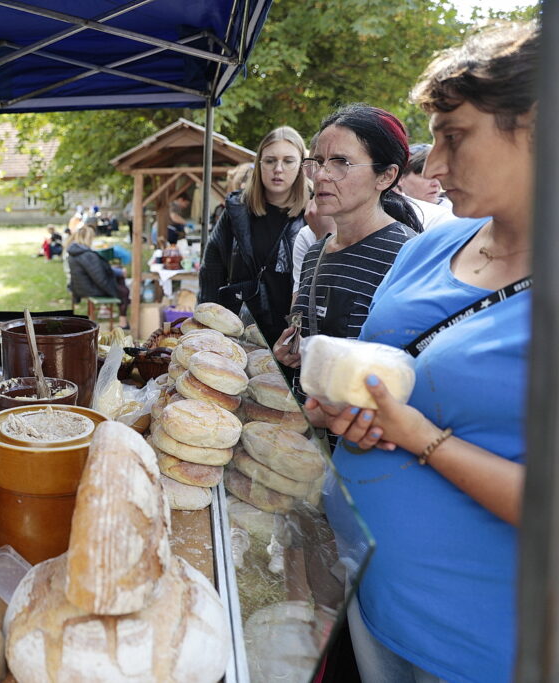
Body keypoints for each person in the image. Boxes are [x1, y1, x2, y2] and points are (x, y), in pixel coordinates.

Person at [314, 22, 536, 681]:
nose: (431, 165)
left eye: (455, 135)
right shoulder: (431, 245)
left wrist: (419, 436)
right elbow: (382, 376)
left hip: (473, 645)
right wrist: (343, 410)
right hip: (362, 592)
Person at [273, 105, 421, 366]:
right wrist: (292, 352)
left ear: (386, 176)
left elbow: (410, 364)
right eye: (318, 162)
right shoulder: (314, 253)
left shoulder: (409, 257)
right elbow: (304, 339)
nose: (321, 175)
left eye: (341, 163)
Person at [198, 126, 309, 346]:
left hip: (294, 335)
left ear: (301, 166)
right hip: (241, 333)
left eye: (288, 161)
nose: (278, 169)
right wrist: (207, 330)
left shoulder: (316, 211)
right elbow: (212, 269)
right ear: (259, 164)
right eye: (270, 160)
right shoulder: (236, 210)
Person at [67, 226, 130, 328]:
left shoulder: (75, 252)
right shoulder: (86, 255)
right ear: (88, 238)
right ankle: (123, 322)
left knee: (119, 279)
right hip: (89, 289)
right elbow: (100, 279)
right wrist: (114, 291)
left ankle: (122, 319)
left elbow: (95, 271)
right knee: (124, 291)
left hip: (80, 287)